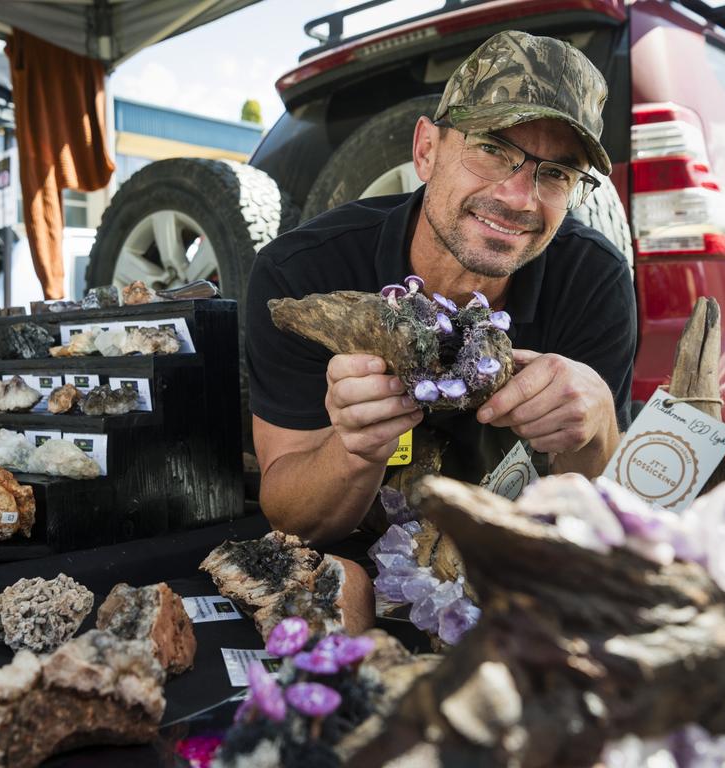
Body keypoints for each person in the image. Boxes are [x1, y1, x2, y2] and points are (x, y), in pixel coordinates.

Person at [246, 30, 637, 545]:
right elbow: (292, 521)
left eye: (557, 174)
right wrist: (354, 449)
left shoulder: (593, 281)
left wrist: (600, 426)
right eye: (493, 149)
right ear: (426, 150)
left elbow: (619, 520)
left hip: (512, 564)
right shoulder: (303, 274)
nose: (519, 197)